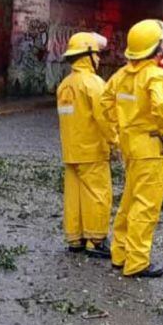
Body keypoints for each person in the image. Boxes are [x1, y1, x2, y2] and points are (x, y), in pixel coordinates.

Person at [105, 19, 163, 278]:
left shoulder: (122, 75)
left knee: (129, 200)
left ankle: (120, 254)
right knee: (146, 205)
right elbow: (160, 105)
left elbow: (105, 102)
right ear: (156, 49)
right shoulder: (155, 75)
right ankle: (137, 263)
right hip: (150, 146)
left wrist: (115, 132)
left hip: (130, 145)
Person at [56, 32, 114, 259]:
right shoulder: (94, 83)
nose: (98, 59)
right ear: (87, 55)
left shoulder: (64, 85)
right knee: (98, 194)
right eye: (96, 54)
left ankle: (76, 239)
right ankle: (96, 240)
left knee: (74, 196)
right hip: (92, 151)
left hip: (71, 151)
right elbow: (105, 118)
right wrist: (116, 141)